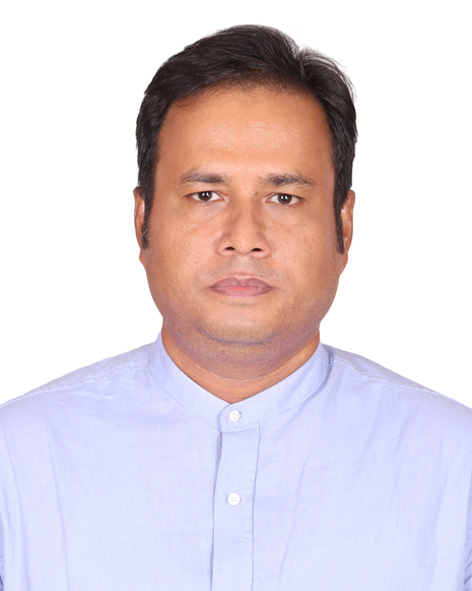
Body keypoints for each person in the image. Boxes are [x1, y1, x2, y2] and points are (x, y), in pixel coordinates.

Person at [0, 24, 471, 591]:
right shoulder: (16, 463)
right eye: (206, 195)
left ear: (343, 225)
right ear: (143, 220)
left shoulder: (456, 467)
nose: (244, 238)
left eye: (283, 197)